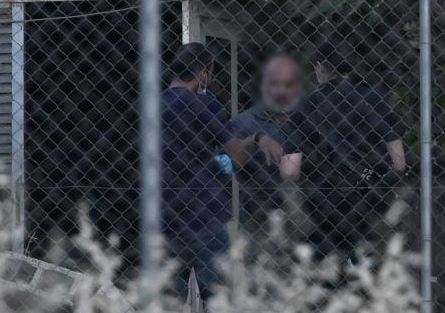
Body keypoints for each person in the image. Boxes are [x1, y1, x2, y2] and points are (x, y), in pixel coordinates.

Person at [160, 42, 283, 299]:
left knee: (171, 293)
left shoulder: (152, 105)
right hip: (204, 211)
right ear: (203, 73)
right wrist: (255, 140)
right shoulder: (205, 105)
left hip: (163, 210)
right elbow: (236, 156)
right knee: (218, 294)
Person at [280, 39, 407, 259]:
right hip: (369, 199)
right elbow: (399, 163)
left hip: (320, 203)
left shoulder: (305, 107)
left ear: (320, 67)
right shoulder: (377, 102)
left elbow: (290, 171)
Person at [230, 53, 304, 233]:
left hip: (294, 217)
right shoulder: (243, 122)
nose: (281, 91)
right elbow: (232, 161)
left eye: (287, 85)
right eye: (275, 84)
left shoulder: (301, 120)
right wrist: (256, 139)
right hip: (255, 216)